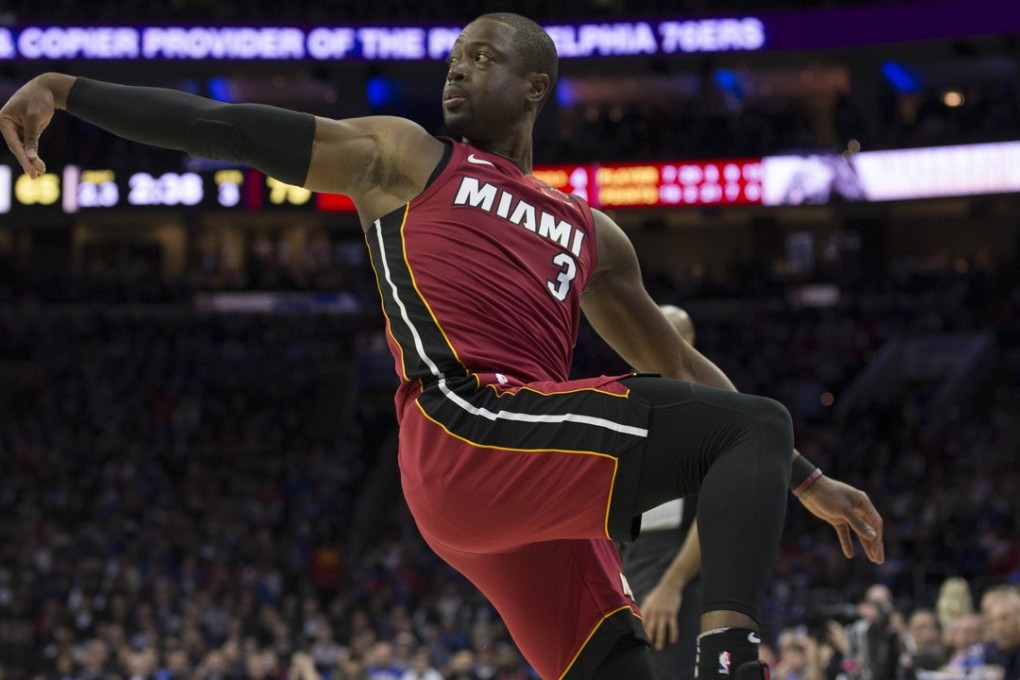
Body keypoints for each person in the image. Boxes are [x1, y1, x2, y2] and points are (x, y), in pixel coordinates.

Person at [1, 13, 885, 680]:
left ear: (536, 86)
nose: (457, 67)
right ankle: (734, 657)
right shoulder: (404, 158)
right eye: (453, 56)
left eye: (482, 56)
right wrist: (70, 89)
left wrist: (803, 475)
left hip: (515, 487)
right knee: (750, 426)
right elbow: (223, 128)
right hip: (466, 422)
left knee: (625, 650)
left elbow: (684, 370)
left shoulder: (592, 233)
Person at [619, 304, 702, 678]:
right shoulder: (630, 412)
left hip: (678, 595)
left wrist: (672, 586)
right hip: (628, 592)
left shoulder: (707, 413)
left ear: (685, 343)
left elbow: (719, 515)